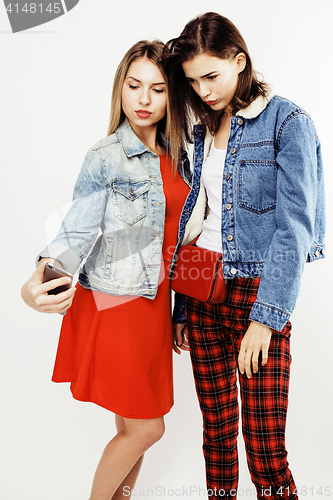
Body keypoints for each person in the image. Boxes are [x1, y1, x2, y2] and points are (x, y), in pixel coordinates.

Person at [164, 12, 325, 500]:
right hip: (203, 293)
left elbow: (294, 226)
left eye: (211, 76)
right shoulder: (200, 130)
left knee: (265, 448)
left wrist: (267, 317)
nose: (204, 90)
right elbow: (199, 221)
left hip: (259, 296)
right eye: (193, 81)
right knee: (216, 439)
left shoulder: (288, 121)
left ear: (240, 60)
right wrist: (182, 306)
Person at [21, 40, 190, 500]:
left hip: (156, 304)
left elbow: (185, 238)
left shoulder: (183, 154)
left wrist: (181, 312)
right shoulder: (106, 156)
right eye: (133, 86)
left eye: (156, 89)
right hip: (117, 303)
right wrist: (40, 276)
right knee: (147, 428)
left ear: (171, 95)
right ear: (120, 88)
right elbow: (75, 232)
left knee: (131, 423)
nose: (143, 99)